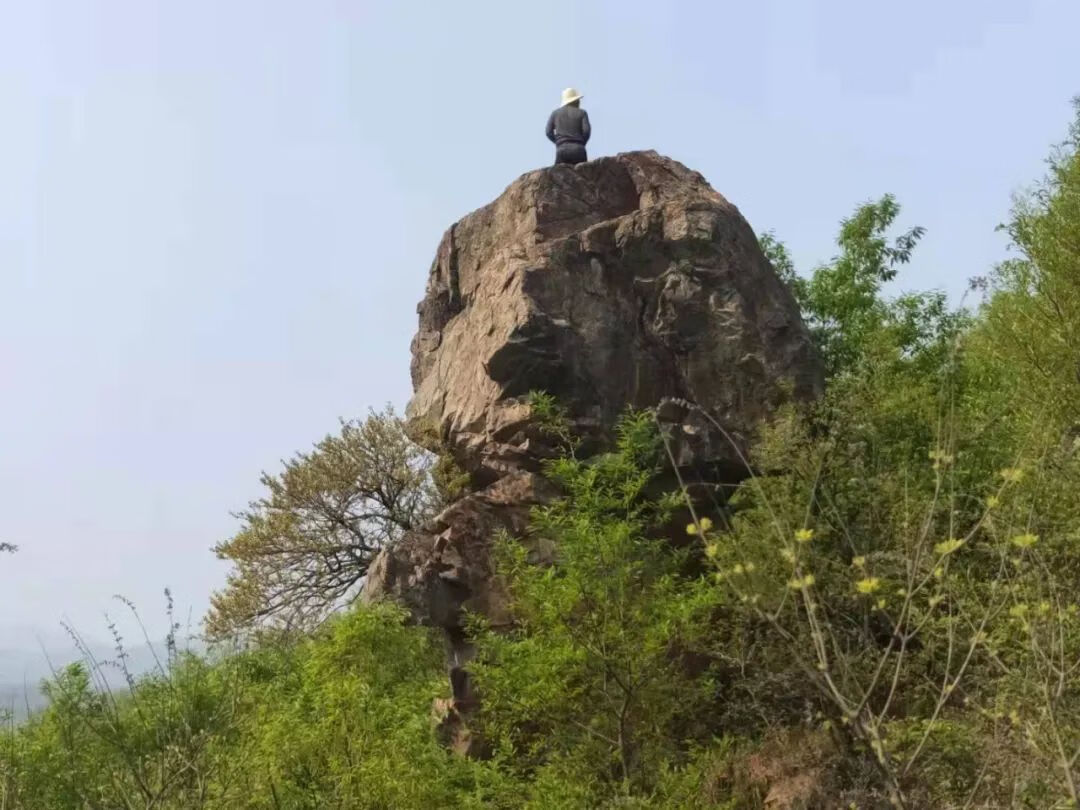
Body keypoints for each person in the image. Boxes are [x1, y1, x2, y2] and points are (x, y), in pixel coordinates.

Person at [545, 88, 591, 166]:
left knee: (560, 175)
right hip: (579, 150)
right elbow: (586, 131)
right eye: (578, 100)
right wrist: (581, 143)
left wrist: (559, 142)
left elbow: (548, 132)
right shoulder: (582, 113)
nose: (579, 102)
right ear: (575, 101)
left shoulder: (555, 113)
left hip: (562, 150)